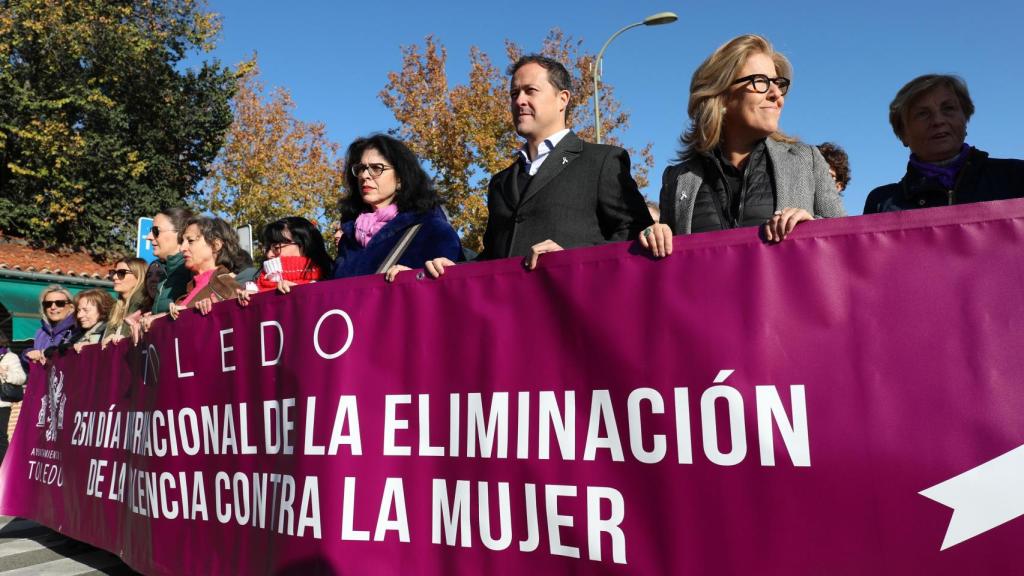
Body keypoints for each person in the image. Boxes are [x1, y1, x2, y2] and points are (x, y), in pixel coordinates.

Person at [425, 54, 653, 276]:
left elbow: (637, 233)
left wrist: (572, 259)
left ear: (563, 98)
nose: (519, 101)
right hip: (510, 310)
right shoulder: (500, 182)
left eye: (530, 91)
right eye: (514, 93)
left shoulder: (602, 161)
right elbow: (494, 257)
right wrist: (454, 270)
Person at [654, 34, 845, 254]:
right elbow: (668, 269)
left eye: (778, 84)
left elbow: (847, 246)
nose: (776, 95)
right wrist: (652, 237)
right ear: (722, 94)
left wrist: (813, 228)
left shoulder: (807, 161)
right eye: (761, 82)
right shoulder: (678, 179)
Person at [863, 74, 1024, 213]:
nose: (938, 121)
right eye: (922, 114)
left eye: (948, 108)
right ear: (903, 134)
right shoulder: (881, 203)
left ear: (965, 120)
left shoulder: (1016, 177)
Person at [332, 134, 462, 281]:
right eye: (360, 168)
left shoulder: (431, 229)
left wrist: (416, 277)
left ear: (400, 179)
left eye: (376, 168)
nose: (364, 175)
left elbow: (453, 291)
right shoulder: (349, 238)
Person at [238, 217, 333, 305]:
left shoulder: (333, 283)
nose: (269, 254)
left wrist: (302, 293)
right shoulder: (253, 286)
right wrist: (254, 301)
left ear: (304, 246)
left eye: (276, 247)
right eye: (267, 249)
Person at [170, 216, 246, 318]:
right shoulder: (191, 287)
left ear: (216, 245)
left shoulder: (228, 288)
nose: (182, 248)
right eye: (183, 242)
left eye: (190, 241)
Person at [146, 207, 193, 314]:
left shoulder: (191, 272)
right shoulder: (166, 273)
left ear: (180, 233)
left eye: (155, 231)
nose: (148, 237)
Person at [22, 285, 79, 366]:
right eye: (48, 304)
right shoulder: (41, 332)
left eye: (60, 303)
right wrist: (28, 354)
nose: (53, 307)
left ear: (71, 307)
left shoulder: (77, 330)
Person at [102, 257, 152, 346]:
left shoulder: (145, 304)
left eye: (121, 273)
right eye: (113, 273)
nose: (114, 277)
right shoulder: (116, 307)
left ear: (139, 276)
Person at [0, 332, 27, 463]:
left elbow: (21, 378)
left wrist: (4, 373)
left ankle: (3, 469)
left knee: (0, 438)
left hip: (1, 405)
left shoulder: (10, 357)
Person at [66, 289, 114, 353]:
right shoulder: (76, 335)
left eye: (86, 310)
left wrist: (92, 346)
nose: (79, 315)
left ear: (102, 309)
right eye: (78, 310)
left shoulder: (109, 333)